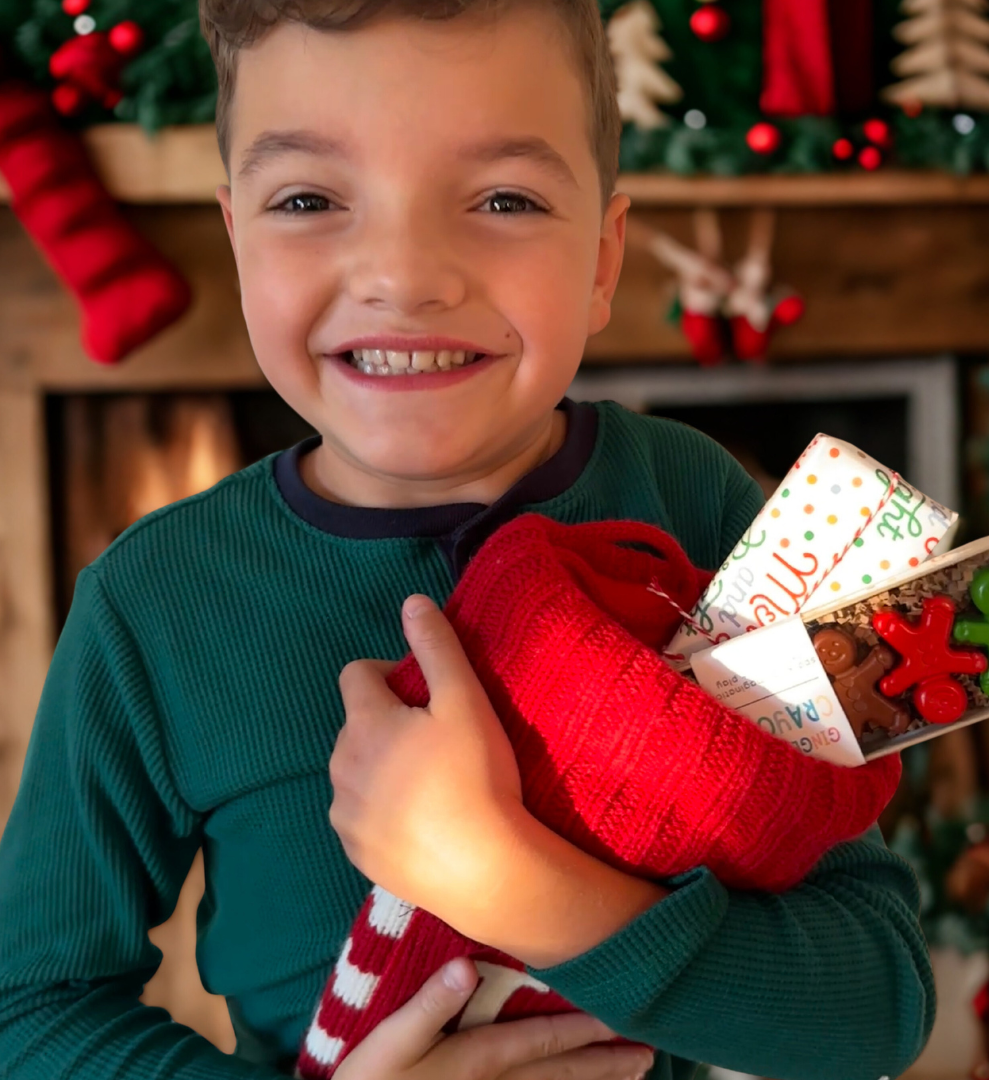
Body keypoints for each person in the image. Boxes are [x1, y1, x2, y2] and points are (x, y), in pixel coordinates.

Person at [0, 2, 936, 1079]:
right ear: (236, 236)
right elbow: (31, 1009)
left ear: (602, 257)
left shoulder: (704, 503)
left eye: (504, 198)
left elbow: (880, 1003)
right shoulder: (152, 600)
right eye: (307, 198)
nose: (406, 277)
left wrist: (521, 892)